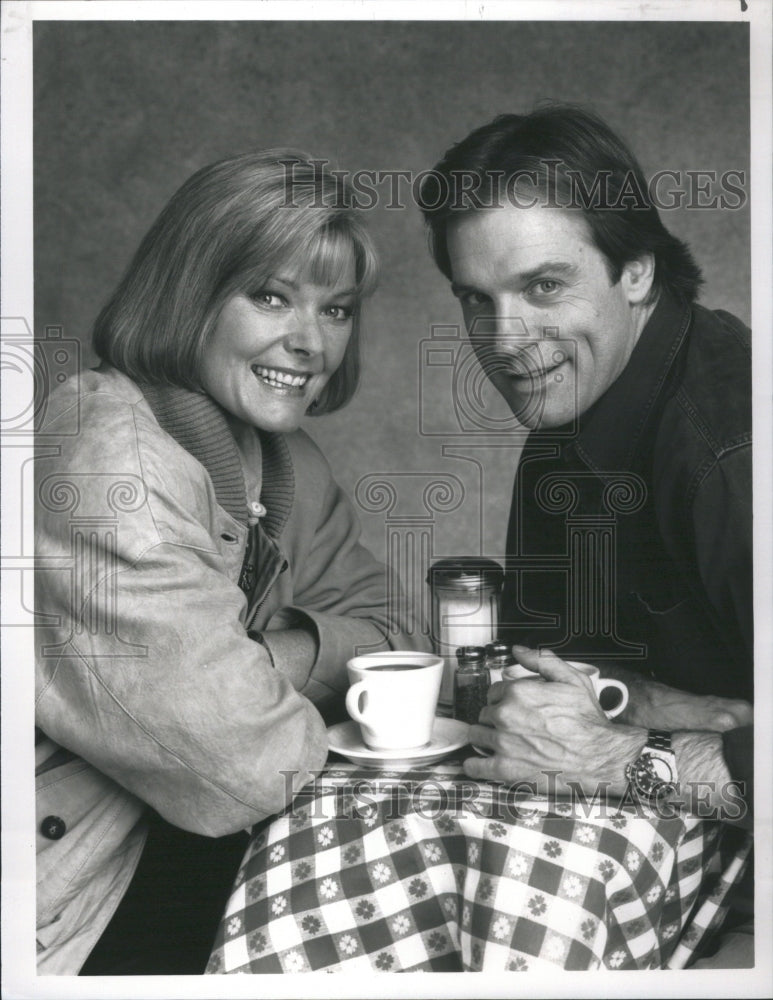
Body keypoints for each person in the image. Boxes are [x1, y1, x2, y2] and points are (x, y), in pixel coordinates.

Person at [35, 151, 421, 974]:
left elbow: (398, 630)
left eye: (338, 308)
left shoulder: (286, 463)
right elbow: (244, 767)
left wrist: (254, 663)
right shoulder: (111, 465)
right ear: (191, 294)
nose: (310, 342)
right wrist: (313, 658)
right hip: (65, 902)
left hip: (185, 852)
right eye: (271, 296)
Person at [418, 105, 753, 965]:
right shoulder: (570, 411)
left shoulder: (728, 447)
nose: (504, 340)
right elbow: (554, 666)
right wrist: (674, 711)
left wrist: (623, 758)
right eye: (475, 299)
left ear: (635, 270)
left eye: (542, 287)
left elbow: (596, 745)